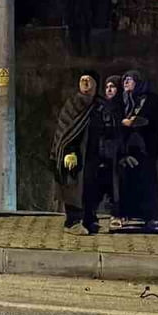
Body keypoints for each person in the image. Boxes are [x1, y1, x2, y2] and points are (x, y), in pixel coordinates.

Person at [51, 71, 105, 235]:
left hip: (94, 154)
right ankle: (72, 222)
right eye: (82, 80)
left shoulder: (99, 105)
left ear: (96, 84)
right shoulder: (74, 103)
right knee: (73, 187)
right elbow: (64, 131)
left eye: (89, 81)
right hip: (75, 155)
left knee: (92, 188)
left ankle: (90, 220)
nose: (85, 83)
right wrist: (69, 152)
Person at [117, 69, 158, 232]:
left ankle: (150, 217)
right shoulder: (121, 100)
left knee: (147, 181)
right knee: (124, 180)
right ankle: (123, 214)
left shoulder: (152, 100)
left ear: (139, 82)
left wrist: (145, 121)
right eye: (125, 79)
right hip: (125, 147)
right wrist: (123, 123)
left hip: (146, 147)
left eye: (130, 79)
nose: (126, 82)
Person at [100, 75, 125, 229]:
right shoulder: (102, 106)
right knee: (108, 182)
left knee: (120, 183)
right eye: (107, 87)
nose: (109, 89)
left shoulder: (124, 106)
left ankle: (119, 214)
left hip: (120, 149)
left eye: (112, 86)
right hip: (105, 149)